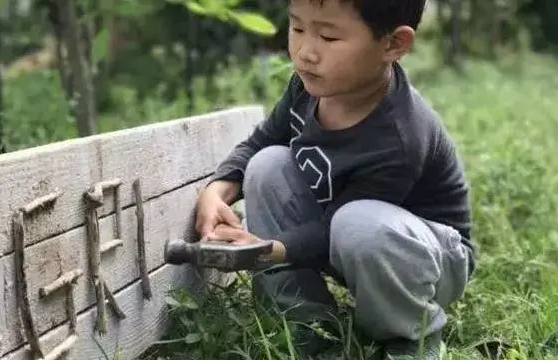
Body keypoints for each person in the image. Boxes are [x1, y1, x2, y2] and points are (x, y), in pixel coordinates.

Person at [194, 0, 475, 358]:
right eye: (297, 29)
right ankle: (301, 319)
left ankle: (409, 335)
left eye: (328, 36)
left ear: (393, 44)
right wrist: (217, 190)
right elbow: (262, 140)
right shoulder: (307, 87)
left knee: (357, 223)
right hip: (350, 241)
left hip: (426, 259)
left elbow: (336, 229)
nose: (305, 52)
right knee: (267, 164)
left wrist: (265, 250)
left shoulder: (400, 136)